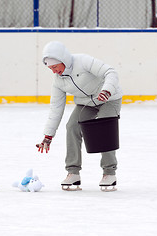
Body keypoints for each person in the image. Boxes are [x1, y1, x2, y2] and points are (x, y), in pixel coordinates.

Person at [36, 41, 123, 191]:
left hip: (109, 98)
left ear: (62, 60)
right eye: (50, 69)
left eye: (55, 67)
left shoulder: (82, 61)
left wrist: (107, 90)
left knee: (104, 126)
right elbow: (56, 108)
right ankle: (73, 172)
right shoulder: (58, 81)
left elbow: (111, 72)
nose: (54, 71)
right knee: (72, 127)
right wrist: (48, 136)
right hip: (86, 103)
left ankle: (109, 173)